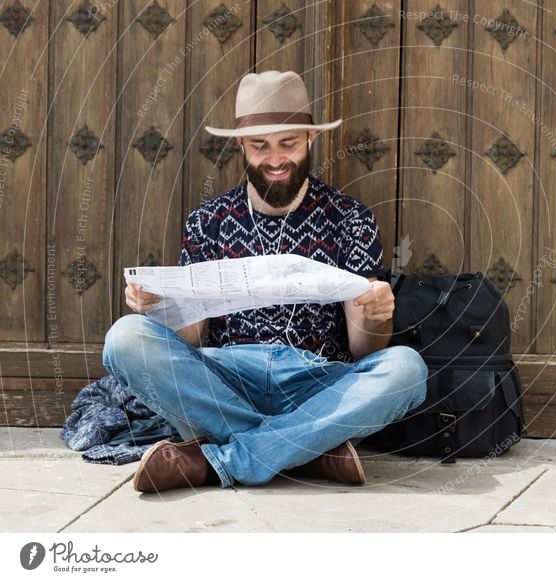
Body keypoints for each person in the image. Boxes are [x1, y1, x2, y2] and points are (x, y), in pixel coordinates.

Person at [102, 70, 428, 494]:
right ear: (241, 145)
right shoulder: (207, 222)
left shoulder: (351, 218)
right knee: (125, 337)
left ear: (310, 139)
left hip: (317, 384)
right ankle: (308, 448)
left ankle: (220, 459)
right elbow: (193, 336)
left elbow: (363, 346)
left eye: (288, 143)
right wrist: (159, 307)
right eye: (260, 146)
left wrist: (376, 315)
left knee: (406, 368)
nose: (275, 159)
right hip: (223, 383)